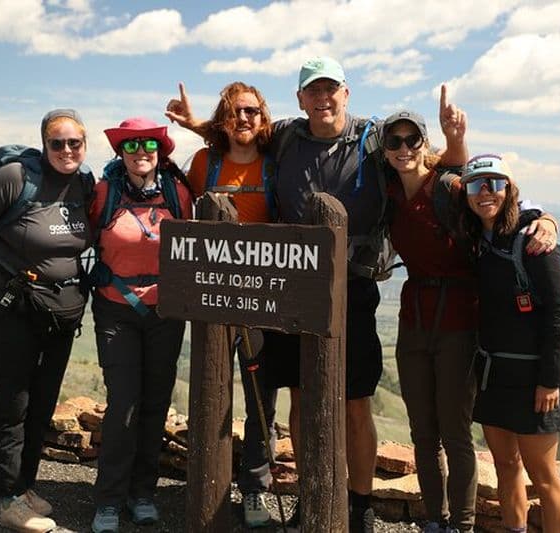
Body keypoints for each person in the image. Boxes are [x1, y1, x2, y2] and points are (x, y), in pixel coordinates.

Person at [166, 57, 475, 532]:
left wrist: (456, 142)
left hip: (354, 286)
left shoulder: (373, 140)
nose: (323, 98)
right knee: (301, 394)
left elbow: (432, 170)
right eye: (314, 91)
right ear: (300, 99)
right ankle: (314, 496)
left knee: (354, 401)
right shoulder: (287, 136)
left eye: (331, 89)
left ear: (346, 94)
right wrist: (197, 124)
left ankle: (359, 504)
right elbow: (241, 132)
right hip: (292, 287)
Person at [384, 112, 560, 533]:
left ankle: (461, 525)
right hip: (415, 320)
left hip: (459, 322)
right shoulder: (386, 191)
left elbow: (499, 198)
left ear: (425, 145)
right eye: (395, 141)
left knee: (455, 431)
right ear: (386, 150)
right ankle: (433, 520)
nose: (404, 148)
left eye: (413, 139)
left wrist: (547, 217)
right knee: (422, 431)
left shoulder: (448, 187)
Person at [0, 109, 94, 532]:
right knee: (14, 402)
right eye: (57, 143)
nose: (66, 150)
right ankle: (9, 500)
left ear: (85, 146)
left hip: (59, 315)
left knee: (43, 403)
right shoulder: (15, 177)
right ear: (44, 144)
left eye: (75, 143)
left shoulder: (84, 184)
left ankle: (25, 486)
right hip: (10, 307)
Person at [88, 117, 192, 533]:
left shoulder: (178, 193)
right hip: (116, 311)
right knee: (123, 405)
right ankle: (109, 500)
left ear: (160, 150)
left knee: (155, 403)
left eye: (149, 144)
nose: (140, 152)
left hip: (166, 314)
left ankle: (143, 493)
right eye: (131, 146)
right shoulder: (103, 193)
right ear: (120, 153)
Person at [458, 154, 560, 533]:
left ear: (511, 190)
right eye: (477, 185)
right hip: (493, 373)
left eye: (495, 183)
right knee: (506, 468)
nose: (486, 192)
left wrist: (550, 379)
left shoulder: (533, 239)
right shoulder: (478, 236)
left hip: (534, 377)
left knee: (544, 477)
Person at [185, 81, 278, 528]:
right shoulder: (205, 163)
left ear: (263, 118)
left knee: (262, 398)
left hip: (263, 302)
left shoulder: (276, 163)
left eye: (252, 112)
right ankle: (208, 479)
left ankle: (255, 488)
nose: (244, 119)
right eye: (235, 112)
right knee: (211, 391)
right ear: (223, 118)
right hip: (212, 298)